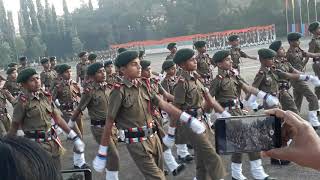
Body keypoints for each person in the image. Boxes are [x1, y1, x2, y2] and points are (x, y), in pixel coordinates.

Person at [93, 50, 205, 179]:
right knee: (158, 177)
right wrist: (102, 152)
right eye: (134, 64)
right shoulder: (118, 91)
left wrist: (188, 119)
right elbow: (109, 121)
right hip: (137, 142)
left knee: (160, 173)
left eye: (139, 64)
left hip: (154, 137)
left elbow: (164, 104)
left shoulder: (144, 85)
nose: (140, 67)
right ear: (123, 69)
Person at [210, 50, 277, 180]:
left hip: (238, 111)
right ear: (219, 64)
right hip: (227, 114)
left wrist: (263, 96)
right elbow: (209, 99)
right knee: (251, 139)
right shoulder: (217, 80)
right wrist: (214, 114)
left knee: (238, 145)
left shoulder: (234, 75)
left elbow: (247, 88)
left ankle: (236, 174)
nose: (231, 61)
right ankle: (258, 173)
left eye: (230, 59)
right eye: (227, 60)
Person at [8, 68, 85, 171]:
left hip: (52, 143)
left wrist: (73, 136)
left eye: (38, 78)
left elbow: (58, 119)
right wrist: (9, 148)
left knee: (57, 173)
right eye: (32, 80)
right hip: (36, 146)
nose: (37, 82)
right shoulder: (22, 103)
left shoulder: (45, 96)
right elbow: (14, 126)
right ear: (24, 84)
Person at [171, 48, 226, 180]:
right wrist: (171, 132)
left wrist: (223, 113)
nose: (195, 61)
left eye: (195, 58)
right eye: (191, 60)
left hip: (202, 121)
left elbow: (209, 100)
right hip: (190, 125)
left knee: (201, 160)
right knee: (212, 156)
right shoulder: (181, 84)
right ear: (182, 65)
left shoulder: (195, 79)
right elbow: (175, 109)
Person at [69, 62, 119, 180]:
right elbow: (79, 109)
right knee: (114, 156)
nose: (103, 73)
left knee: (110, 156)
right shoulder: (89, 91)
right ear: (92, 76)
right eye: (99, 72)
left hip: (112, 127)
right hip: (99, 128)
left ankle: (110, 176)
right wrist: (69, 125)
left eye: (103, 71)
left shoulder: (110, 87)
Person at [140, 60, 186, 176]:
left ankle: (170, 167)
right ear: (140, 71)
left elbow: (166, 95)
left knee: (161, 142)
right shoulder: (138, 86)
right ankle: (162, 168)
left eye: (150, 69)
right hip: (145, 120)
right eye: (146, 69)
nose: (150, 71)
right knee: (152, 145)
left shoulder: (154, 82)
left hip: (156, 117)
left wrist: (180, 101)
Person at [51, 64, 89, 169]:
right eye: (67, 72)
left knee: (81, 137)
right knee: (79, 137)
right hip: (67, 114)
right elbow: (50, 100)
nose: (70, 73)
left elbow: (80, 96)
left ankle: (78, 162)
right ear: (61, 74)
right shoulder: (58, 87)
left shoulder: (75, 84)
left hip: (77, 113)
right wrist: (58, 109)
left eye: (70, 71)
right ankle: (80, 162)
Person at [286, 32, 320, 129]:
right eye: (296, 40)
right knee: (313, 98)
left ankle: (291, 123)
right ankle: (314, 122)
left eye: (298, 40)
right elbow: (286, 67)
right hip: (296, 79)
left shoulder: (298, 50)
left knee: (297, 102)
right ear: (291, 42)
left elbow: (310, 54)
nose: (299, 42)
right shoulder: (288, 54)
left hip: (300, 77)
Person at [269, 41, 299, 114]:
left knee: (285, 113)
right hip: (281, 91)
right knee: (294, 111)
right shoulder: (273, 64)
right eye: (281, 49)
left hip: (286, 90)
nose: (284, 50)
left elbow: (294, 71)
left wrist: (305, 76)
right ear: (276, 52)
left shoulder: (284, 61)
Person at [308, 22, 320, 103]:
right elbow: (309, 54)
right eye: (318, 28)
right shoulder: (313, 41)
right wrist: (303, 64)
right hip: (318, 64)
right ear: (313, 31)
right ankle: (318, 101)